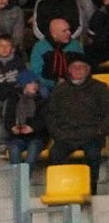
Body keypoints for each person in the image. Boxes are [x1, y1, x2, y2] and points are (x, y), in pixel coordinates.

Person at [46, 53, 109, 194]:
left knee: (93, 155)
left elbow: (107, 113)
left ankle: (91, 191)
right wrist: (58, 134)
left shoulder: (100, 88)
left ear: (88, 70)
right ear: (69, 70)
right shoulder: (60, 90)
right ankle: (59, 191)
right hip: (66, 135)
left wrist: (100, 131)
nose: (78, 70)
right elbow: (51, 115)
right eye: (75, 67)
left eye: (82, 68)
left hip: (91, 134)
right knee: (55, 154)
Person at [30, 18, 84, 93]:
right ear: (54, 34)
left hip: (73, 86)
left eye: (69, 29)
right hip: (47, 88)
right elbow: (36, 73)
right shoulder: (40, 47)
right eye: (64, 31)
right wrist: (54, 83)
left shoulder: (75, 45)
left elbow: (83, 68)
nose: (69, 33)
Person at [5, 78, 49, 166]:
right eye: (32, 83)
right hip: (17, 137)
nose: (36, 86)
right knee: (14, 149)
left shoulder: (42, 101)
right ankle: (17, 178)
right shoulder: (13, 100)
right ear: (25, 85)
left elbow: (45, 120)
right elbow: (7, 119)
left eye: (37, 84)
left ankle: (25, 179)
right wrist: (12, 128)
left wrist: (32, 128)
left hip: (36, 137)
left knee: (33, 150)